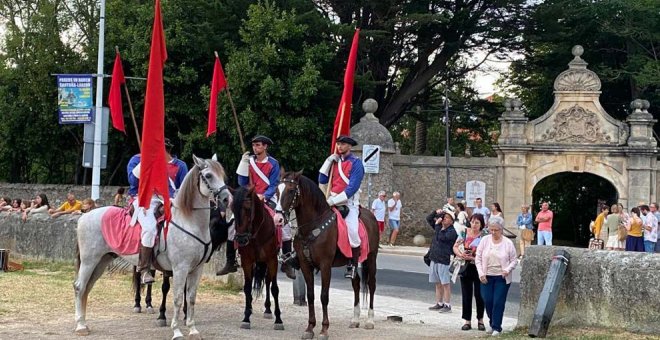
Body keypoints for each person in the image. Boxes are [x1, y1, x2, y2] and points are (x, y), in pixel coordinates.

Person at [218, 135, 295, 279]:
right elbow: (242, 182)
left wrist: (264, 196)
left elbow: (273, 184)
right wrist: (243, 163)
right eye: (254, 145)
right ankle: (230, 261)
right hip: (249, 197)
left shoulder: (273, 163)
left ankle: (286, 261)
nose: (255, 148)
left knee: (284, 226)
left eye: (258, 145)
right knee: (232, 226)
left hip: (267, 197)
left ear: (265, 146)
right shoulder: (249, 162)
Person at [128, 137, 188, 284]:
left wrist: (173, 200)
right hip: (144, 199)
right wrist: (146, 162)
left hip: (171, 200)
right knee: (149, 228)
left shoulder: (180, 165)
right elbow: (133, 181)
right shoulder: (136, 160)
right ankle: (144, 269)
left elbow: (183, 188)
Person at [318, 135, 365, 279]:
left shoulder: (356, 164)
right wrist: (328, 161)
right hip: (331, 200)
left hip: (348, 204)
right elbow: (322, 179)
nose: (339, 146)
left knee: (353, 233)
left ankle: (352, 265)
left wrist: (332, 201)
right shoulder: (334, 162)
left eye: (343, 144)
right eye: (338, 144)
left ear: (350, 147)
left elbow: (351, 189)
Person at [475, 219, 518, 336]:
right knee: (487, 300)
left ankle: (497, 327)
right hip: (486, 276)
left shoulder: (508, 243)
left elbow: (514, 261)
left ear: (501, 229)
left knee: (498, 301)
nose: (493, 232)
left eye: (496, 230)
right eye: (491, 229)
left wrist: (507, 270)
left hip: (502, 278)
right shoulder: (485, 240)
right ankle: (492, 322)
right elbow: (478, 258)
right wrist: (481, 273)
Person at [453, 213, 486, 331]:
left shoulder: (484, 235)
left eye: (477, 222)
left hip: (479, 267)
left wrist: (475, 257)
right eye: (472, 222)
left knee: (480, 295)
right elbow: (455, 246)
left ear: (481, 224)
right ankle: (467, 320)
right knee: (466, 294)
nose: (474, 225)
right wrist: (461, 254)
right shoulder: (464, 233)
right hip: (466, 266)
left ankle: (480, 320)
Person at [427, 209, 458, 313]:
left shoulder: (452, 232)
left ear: (452, 221)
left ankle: (447, 304)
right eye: (444, 217)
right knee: (437, 282)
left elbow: (441, 238)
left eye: (447, 217)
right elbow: (429, 218)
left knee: (445, 283)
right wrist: (436, 212)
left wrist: (437, 226)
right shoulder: (439, 227)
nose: (444, 218)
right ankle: (439, 303)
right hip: (435, 258)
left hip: (444, 259)